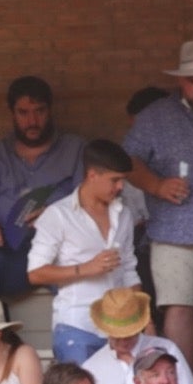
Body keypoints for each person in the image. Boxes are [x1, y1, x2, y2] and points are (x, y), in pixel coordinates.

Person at [123, 41, 193, 372]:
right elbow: (128, 160)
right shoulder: (155, 116)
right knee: (179, 311)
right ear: (180, 81)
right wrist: (157, 185)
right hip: (174, 236)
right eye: (191, 80)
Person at [0, 76, 86, 304]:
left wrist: (57, 215)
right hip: (8, 256)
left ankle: (80, 334)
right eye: (23, 112)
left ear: (50, 110)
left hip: (58, 254)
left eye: (39, 111)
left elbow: (92, 201)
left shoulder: (75, 149)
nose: (32, 120)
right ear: (12, 114)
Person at [26, 139, 142, 365]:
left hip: (120, 329)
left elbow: (129, 269)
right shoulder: (57, 215)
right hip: (76, 326)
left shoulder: (124, 213)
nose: (120, 187)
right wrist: (86, 268)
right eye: (114, 180)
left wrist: (140, 319)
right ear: (92, 175)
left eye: (123, 180)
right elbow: (36, 273)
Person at [81, 289, 193, 384]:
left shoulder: (167, 349)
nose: (123, 340)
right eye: (117, 335)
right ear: (107, 331)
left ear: (140, 327)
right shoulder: (91, 368)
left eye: (129, 333)